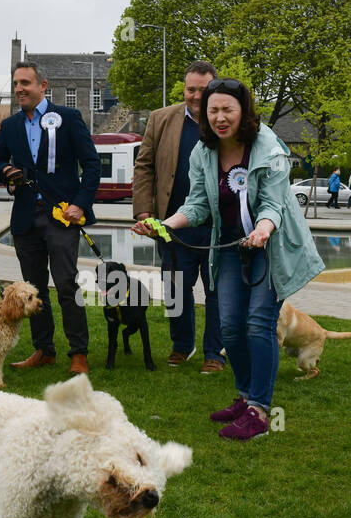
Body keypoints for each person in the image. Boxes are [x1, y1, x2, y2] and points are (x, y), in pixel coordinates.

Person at [133, 78, 324, 441]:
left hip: (271, 246)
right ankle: (244, 395)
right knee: (231, 326)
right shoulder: (203, 152)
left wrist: (264, 229)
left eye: (228, 110)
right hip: (231, 246)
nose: (220, 117)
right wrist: (164, 224)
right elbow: (198, 206)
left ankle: (260, 412)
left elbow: (274, 203)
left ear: (243, 112)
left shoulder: (269, 148)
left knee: (258, 324)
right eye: (213, 110)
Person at [0, 60, 101, 374]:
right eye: (16, 84)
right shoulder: (9, 126)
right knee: (33, 289)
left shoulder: (69, 118)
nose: (20, 89)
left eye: (25, 83)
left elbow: (92, 165)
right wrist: (4, 170)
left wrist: (80, 204)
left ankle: (79, 353)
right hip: (25, 218)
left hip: (62, 217)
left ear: (42, 86)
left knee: (66, 285)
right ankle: (43, 349)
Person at [132, 60, 225, 374]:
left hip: (217, 228)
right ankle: (182, 346)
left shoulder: (224, 119)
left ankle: (215, 352)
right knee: (174, 289)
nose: (196, 96)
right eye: (191, 89)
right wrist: (145, 211)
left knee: (216, 293)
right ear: (183, 89)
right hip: (172, 225)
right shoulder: (160, 119)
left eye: (204, 90)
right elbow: (144, 167)